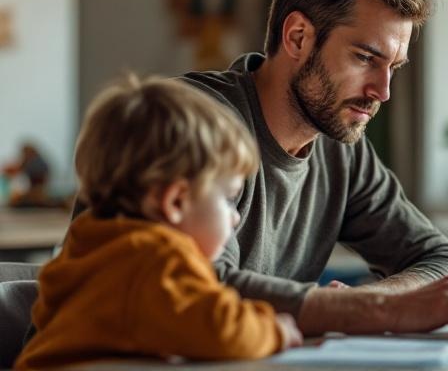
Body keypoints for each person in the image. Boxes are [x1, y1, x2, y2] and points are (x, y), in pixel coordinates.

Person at [177, 0, 448, 335]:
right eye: (365, 58)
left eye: (393, 67)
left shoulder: (338, 143)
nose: (383, 91)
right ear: (298, 38)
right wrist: (365, 307)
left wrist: (385, 297)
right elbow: (198, 287)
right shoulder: (193, 123)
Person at [15, 77, 302, 370]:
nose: (236, 216)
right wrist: (276, 330)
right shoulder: (155, 258)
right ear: (175, 202)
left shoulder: (88, 247)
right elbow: (221, 330)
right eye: (228, 198)